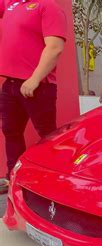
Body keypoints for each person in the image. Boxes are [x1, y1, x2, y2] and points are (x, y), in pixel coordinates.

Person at [0, 0, 67, 193]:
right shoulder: (12, 3)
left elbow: (55, 47)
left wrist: (35, 79)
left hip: (38, 86)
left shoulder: (48, 7)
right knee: (11, 132)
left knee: (47, 136)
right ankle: (14, 177)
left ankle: (54, 179)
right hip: (11, 83)